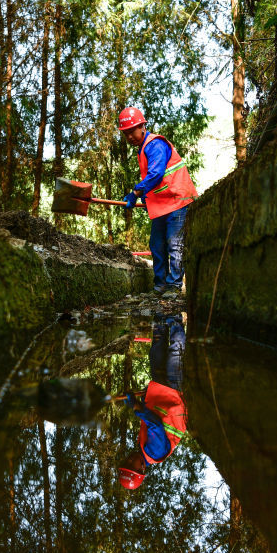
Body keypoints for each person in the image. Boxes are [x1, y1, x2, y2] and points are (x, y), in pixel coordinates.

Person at [118, 107, 198, 297]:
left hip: (178, 200)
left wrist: (136, 192)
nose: (129, 136)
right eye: (126, 133)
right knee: (156, 245)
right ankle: (160, 286)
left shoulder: (155, 144)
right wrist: (146, 198)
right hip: (162, 205)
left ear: (143, 126)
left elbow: (156, 173)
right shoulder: (143, 149)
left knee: (174, 244)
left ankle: (174, 287)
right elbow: (155, 181)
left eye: (132, 130)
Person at [117, 314, 188, 490]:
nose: (130, 459)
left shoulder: (143, 450)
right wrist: (136, 407)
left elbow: (152, 417)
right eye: (131, 465)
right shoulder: (154, 454)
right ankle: (175, 317)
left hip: (160, 392)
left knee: (156, 349)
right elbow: (155, 424)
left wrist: (141, 401)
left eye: (126, 462)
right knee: (175, 351)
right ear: (141, 469)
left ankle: (161, 316)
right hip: (173, 395)